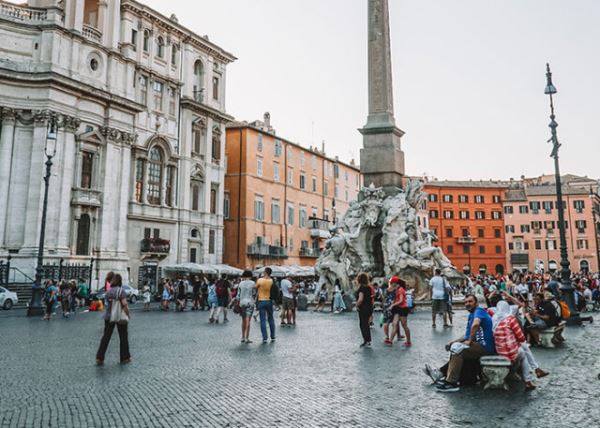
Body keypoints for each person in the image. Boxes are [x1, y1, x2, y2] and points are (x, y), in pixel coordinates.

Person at [431, 294, 495, 392]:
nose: (467, 304)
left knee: (458, 348)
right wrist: (452, 342)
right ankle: (446, 376)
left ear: (476, 303)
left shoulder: (479, 311)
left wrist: (469, 342)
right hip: (478, 346)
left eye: (470, 301)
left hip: (485, 347)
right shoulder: (471, 315)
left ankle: (451, 382)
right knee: (455, 346)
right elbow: (466, 335)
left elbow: (476, 324)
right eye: (465, 302)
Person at [492, 301, 548, 391]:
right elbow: (521, 337)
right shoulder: (510, 318)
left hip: (500, 350)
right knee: (524, 350)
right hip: (509, 353)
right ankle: (530, 378)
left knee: (523, 347)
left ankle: (537, 370)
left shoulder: (494, 318)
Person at [95, 274, 131, 365]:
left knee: (106, 337)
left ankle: (100, 357)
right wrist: (128, 314)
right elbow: (124, 304)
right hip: (119, 315)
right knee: (123, 336)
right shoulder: (121, 291)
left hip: (108, 316)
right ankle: (125, 357)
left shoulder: (109, 292)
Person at [256, 267, 276, 343]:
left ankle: (265, 337)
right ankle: (273, 336)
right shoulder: (272, 281)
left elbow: (255, 287)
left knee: (263, 320)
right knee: (271, 318)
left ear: (265, 272)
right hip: (269, 300)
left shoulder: (260, 280)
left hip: (261, 300)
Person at [391, 278, 411, 346]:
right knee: (395, 323)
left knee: (404, 325)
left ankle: (408, 341)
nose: (392, 284)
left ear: (397, 283)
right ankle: (391, 339)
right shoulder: (397, 289)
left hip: (403, 308)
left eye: (393, 283)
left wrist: (393, 305)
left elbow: (401, 300)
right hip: (398, 308)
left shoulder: (401, 289)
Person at [355, 272, 373, 348]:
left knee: (363, 324)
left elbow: (360, 299)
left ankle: (366, 340)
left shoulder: (361, 288)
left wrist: (356, 305)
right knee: (366, 324)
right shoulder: (369, 287)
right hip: (369, 307)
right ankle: (368, 340)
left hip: (363, 308)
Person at [237, 270, 256, 343]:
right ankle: (247, 338)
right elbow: (254, 293)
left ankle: (242, 337)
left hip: (242, 303)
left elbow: (238, 295)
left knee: (243, 320)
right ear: (250, 275)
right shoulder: (253, 283)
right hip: (250, 303)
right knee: (248, 320)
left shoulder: (241, 283)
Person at [382, 278, 398, 345]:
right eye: (396, 282)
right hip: (392, 306)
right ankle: (389, 337)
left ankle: (386, 337)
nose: (397, 283)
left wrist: (383, 306)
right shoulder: (396, 290)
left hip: (386, 306)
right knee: (394, 322)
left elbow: (383, 298)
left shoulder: (386, 290)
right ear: (393, 283)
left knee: (386, 322)